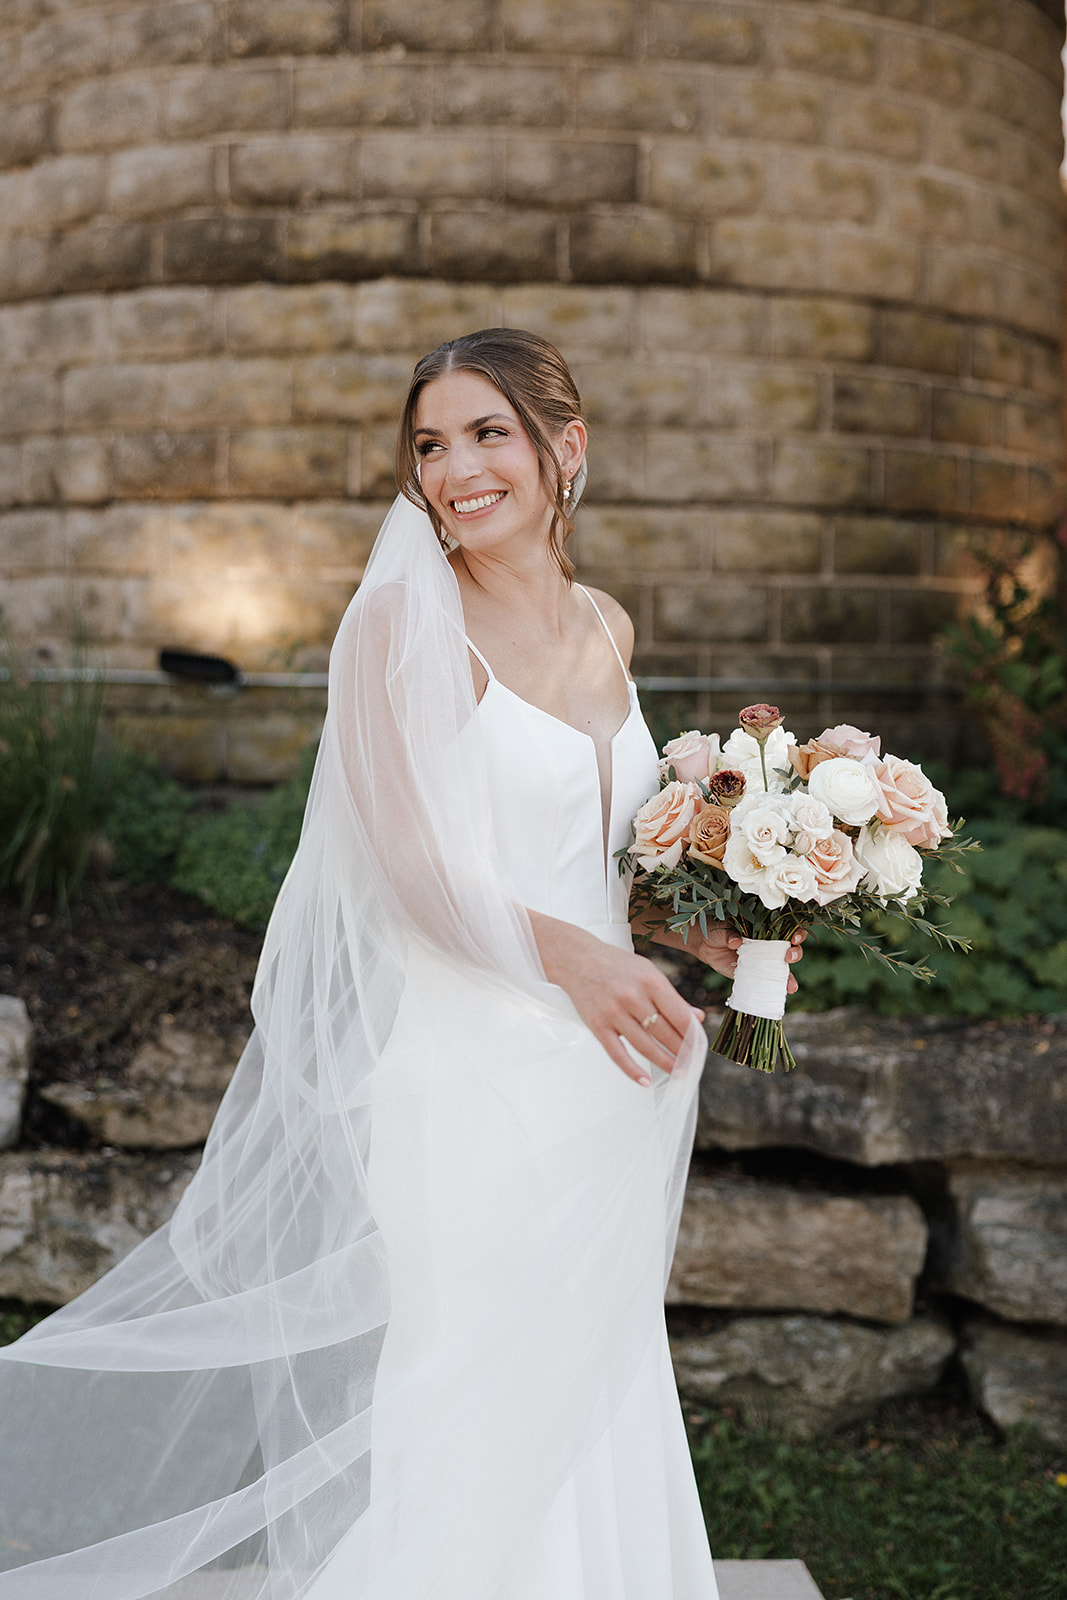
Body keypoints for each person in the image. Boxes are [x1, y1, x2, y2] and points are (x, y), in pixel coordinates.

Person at [0, 328, 802, 1600]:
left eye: (489, 433)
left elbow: (584, 860)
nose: (456, 467)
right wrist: (579, 966)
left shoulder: (607, 623)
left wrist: (681, 927)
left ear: (564, 449)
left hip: (608, 1070)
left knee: (592, 1380)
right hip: (467, 1072)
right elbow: (411, 876)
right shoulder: (396, 628)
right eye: (432, 443)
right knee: (470, 1391)